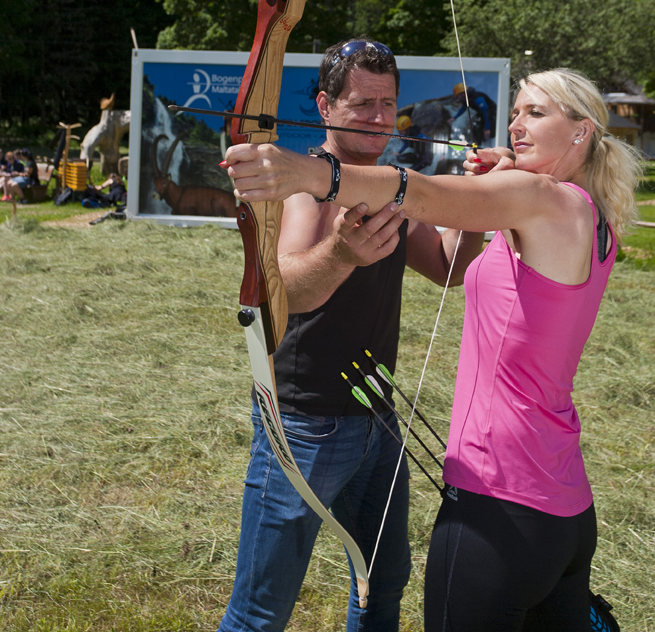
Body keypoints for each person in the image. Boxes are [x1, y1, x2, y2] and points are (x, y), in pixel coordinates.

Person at [223, 68, 640, 632]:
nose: (516, 125)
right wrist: (503, 179)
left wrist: (305, 171)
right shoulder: (588, 212)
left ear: (581, 131)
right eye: (517, 111)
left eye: (536, 113)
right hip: (563, 508)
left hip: (497, 506)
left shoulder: (537, 198)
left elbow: (418, 193)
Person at [218, 40, 484, 632]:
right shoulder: (306, 184)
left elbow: (447, 267)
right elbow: (284, 289)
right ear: (325, 106)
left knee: (381, 585)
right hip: (304, 425)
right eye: (362, 104)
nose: (378, 117)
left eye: (387, 104)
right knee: (261, 610)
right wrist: (340, 254)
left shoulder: (388, 184)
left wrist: (476, 214)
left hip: (376, 416)